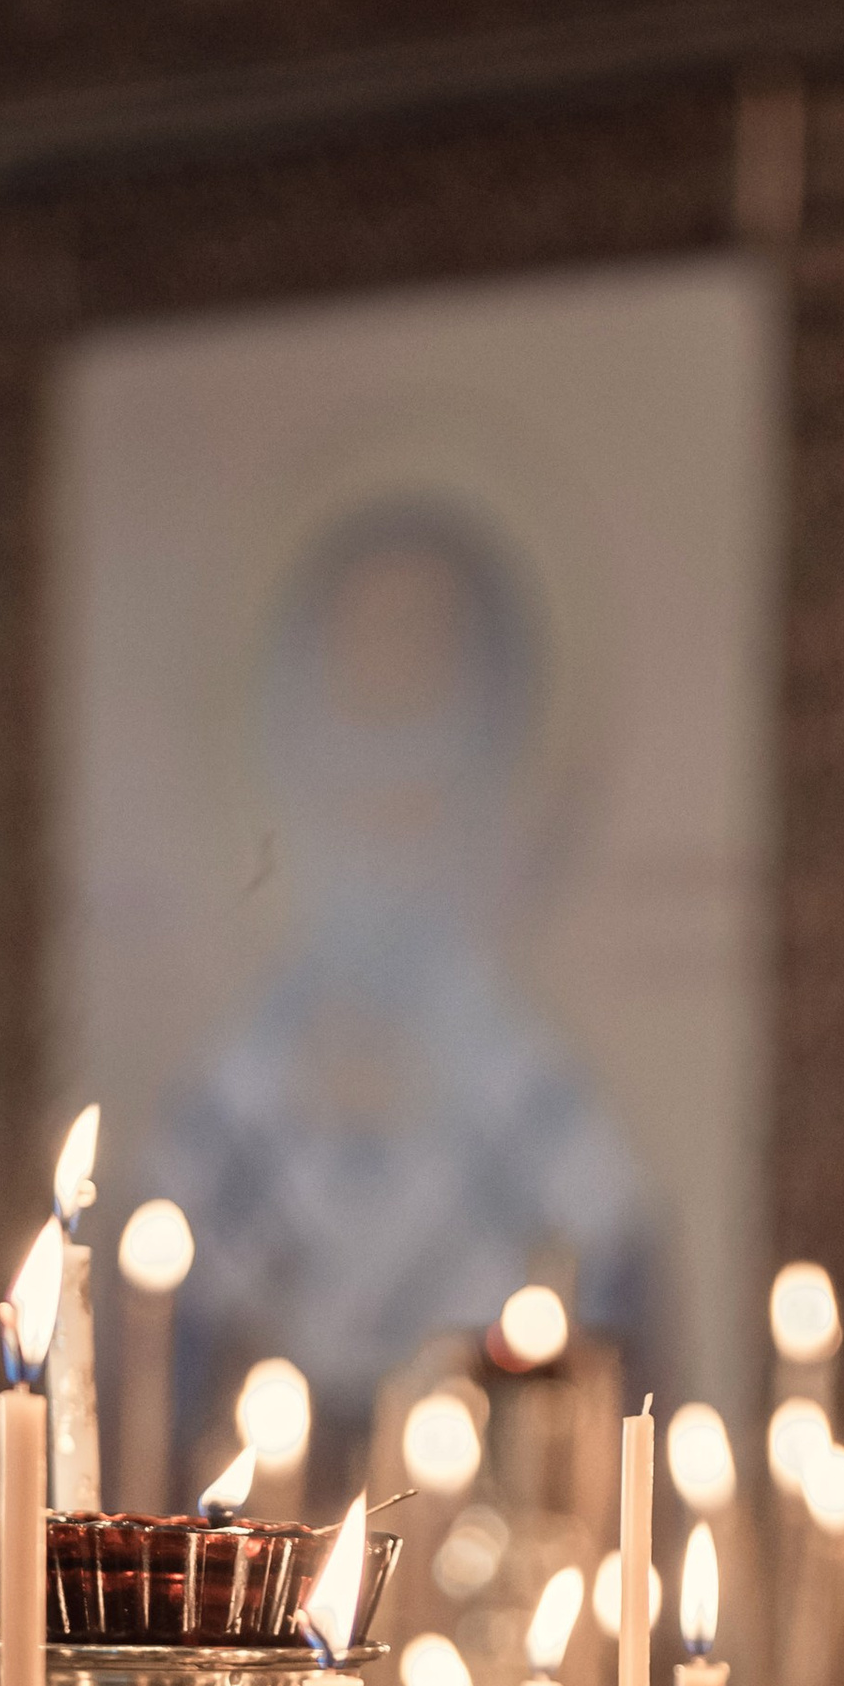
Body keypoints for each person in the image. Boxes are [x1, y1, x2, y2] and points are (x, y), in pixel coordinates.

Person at [152, 496, 651, 1448]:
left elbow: (616, 1358)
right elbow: (152, 1405)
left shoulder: (544, 1115)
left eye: (422, 780)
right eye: (353, 773)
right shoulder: (227, 1108)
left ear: (493, 780)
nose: (385, 826)